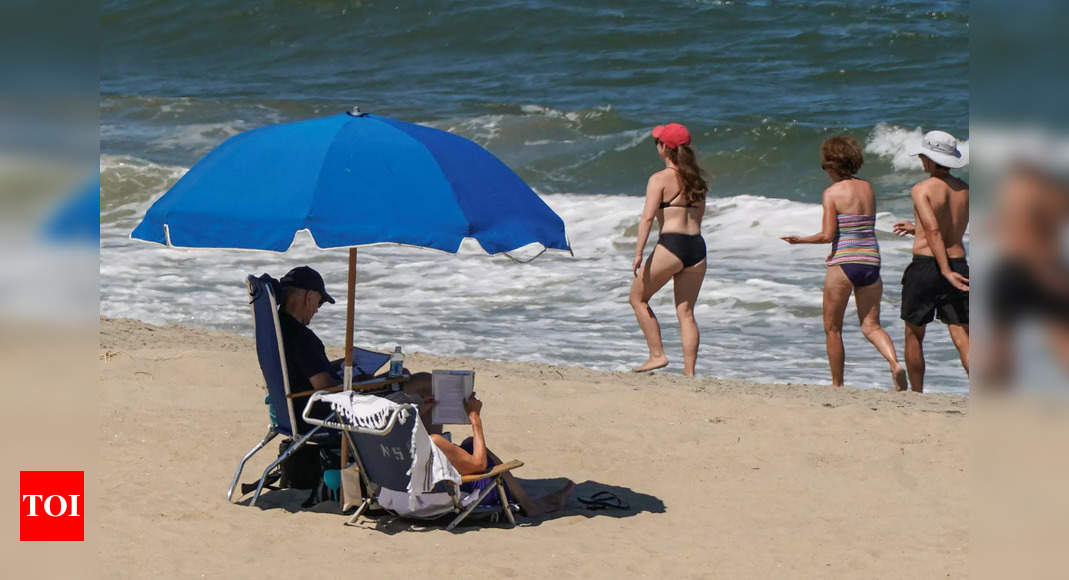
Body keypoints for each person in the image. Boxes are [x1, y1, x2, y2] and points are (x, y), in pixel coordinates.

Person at [782, 135, 908, 390]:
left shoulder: (832, 193)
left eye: (825, 166)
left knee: (832, 328)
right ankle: (894, 362)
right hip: (871, 260)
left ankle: (837, 384)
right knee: (871, 325)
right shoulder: (868, 188)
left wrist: (800, 240)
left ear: (833, 164)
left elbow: (827, 235)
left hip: (844, 262)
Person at [276, 265, 431, 433]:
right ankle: (435, 453)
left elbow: (305, 372)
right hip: (327, 416)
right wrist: (368, 383)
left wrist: (338, 367)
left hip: (299, 412)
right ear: (309, 297)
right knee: (423, 384)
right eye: (320, 302)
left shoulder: (278, 330)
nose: (317, 310)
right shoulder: (302, 337)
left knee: (403, 379)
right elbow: (326, 389)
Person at [891, 130, 970, 392]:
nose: (922, 161)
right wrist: (917, 229)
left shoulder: (921, 189)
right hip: (959, 263)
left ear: (932, 160)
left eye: (924, 156)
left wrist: (944, 270)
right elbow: (947, 228)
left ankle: (916, 394)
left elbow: (935, 231)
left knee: (914, 332)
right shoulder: (964, 190)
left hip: (928, 266)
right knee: (963, 335)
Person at [630, 123, 709, 376]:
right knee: (686, 312)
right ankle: (689, 373)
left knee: (637, 298)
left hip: (672, 244)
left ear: (665, 148)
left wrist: (639, 252)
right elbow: (699, 218)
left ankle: (657, 355)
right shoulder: (697, 181)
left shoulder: (660, 179)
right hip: (696, 247)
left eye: (658, 143)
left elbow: (647, 218)